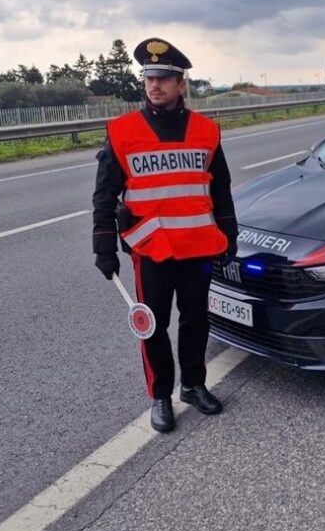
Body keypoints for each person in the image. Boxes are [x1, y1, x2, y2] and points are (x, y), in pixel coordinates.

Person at [92, 37, 238, 433]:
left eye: (163, 78)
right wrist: (103, 246)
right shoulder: (123, 132)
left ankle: (193, 385)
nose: (154, 85)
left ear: (180, 83)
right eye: (149, 77)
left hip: (197, 246)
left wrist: (230, 235)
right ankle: (161, 396)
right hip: (151, 249)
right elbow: (104, 194)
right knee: (153, 325)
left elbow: (219, 187)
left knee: (196, 321)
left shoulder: (206, 131)